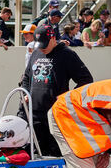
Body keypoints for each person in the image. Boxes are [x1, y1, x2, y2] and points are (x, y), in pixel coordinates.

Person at [20, 25, 94, 156]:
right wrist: (25, 93)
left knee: (55, 155)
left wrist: (68, 98)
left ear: (53, 38)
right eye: (39, 45)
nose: (42, 49)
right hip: (34, 114)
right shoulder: (36, 52)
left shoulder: (67, 54)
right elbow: (26, 77)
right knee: (34, 154)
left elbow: (86, 79)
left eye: (45, 45)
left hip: (55, 115)